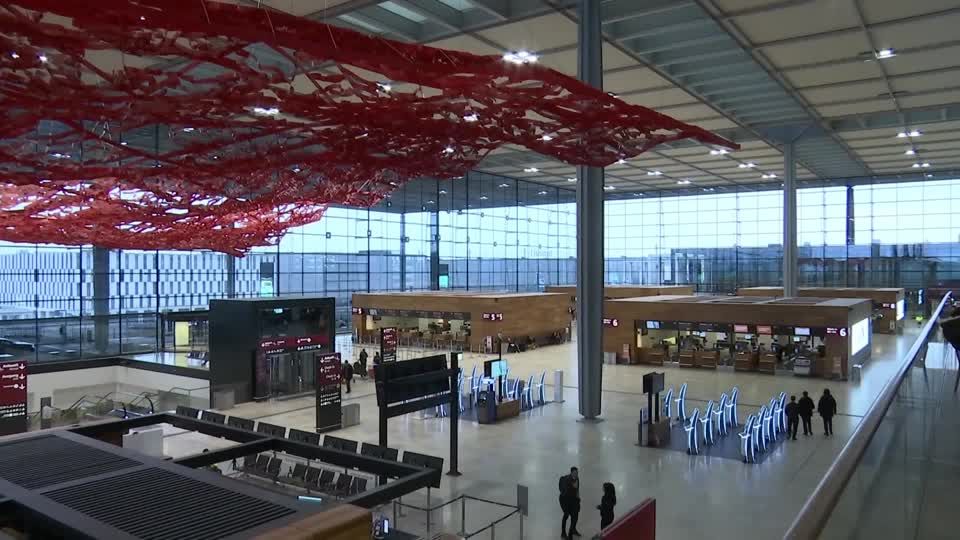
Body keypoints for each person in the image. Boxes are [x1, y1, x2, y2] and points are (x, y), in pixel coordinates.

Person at [558, 466, 581, 539]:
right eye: (574, 473)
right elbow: (564, 492)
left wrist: (578, 498)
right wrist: (572, 486)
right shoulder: (567, 480)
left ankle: (572, 530)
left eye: (577, 473)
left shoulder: (577, 478)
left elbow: (577, 489)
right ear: (571, 473)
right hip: (565, 500)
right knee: (566, 515)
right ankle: (563, 533)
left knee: (575, 516)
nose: (576, 474)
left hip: (573, 500)